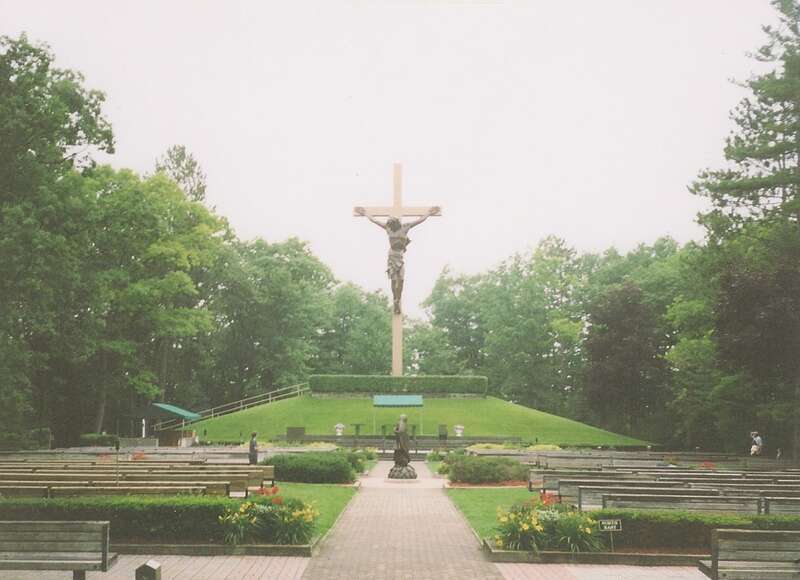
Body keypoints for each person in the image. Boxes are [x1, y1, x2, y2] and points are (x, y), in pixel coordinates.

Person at [355, 206, 440, 314]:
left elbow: (419, 220)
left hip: (400, 256)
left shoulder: (406, 227)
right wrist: (365, 213)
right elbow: (374, 220)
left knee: (401, 279)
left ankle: (397, 299)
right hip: (392, 256)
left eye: (392, 226)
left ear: (397, 224)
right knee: (394, 279)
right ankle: (395, 299)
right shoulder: (388, 228)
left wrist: (428, 213)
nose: (391, 228)